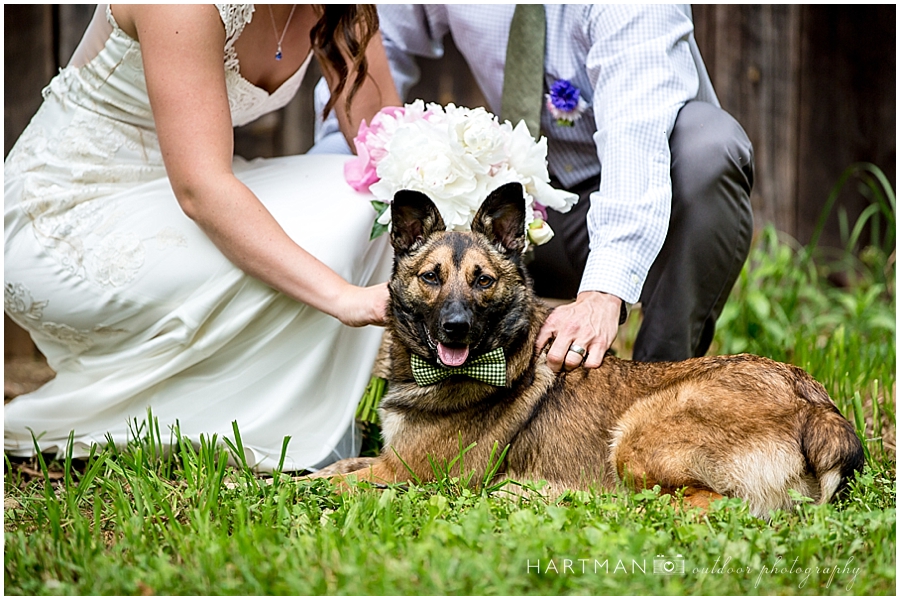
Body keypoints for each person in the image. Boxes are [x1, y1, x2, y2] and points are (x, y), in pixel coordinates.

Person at [4, 4, 401, 473]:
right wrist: (344, 298)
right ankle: (253, 423)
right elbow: (201, 192)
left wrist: (455, 180)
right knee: (333, 233)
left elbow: (385, 150)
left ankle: (258, 411)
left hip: (179, 192)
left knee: (365, 200)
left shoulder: (339, 8)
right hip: (71, 212)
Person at [312, 5, 755, 373]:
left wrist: (602, 293)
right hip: (518, 215)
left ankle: (659, 383)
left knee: (709, 148)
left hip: (646, 210)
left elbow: (635, 139)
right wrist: (333, 175)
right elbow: (372, 39)